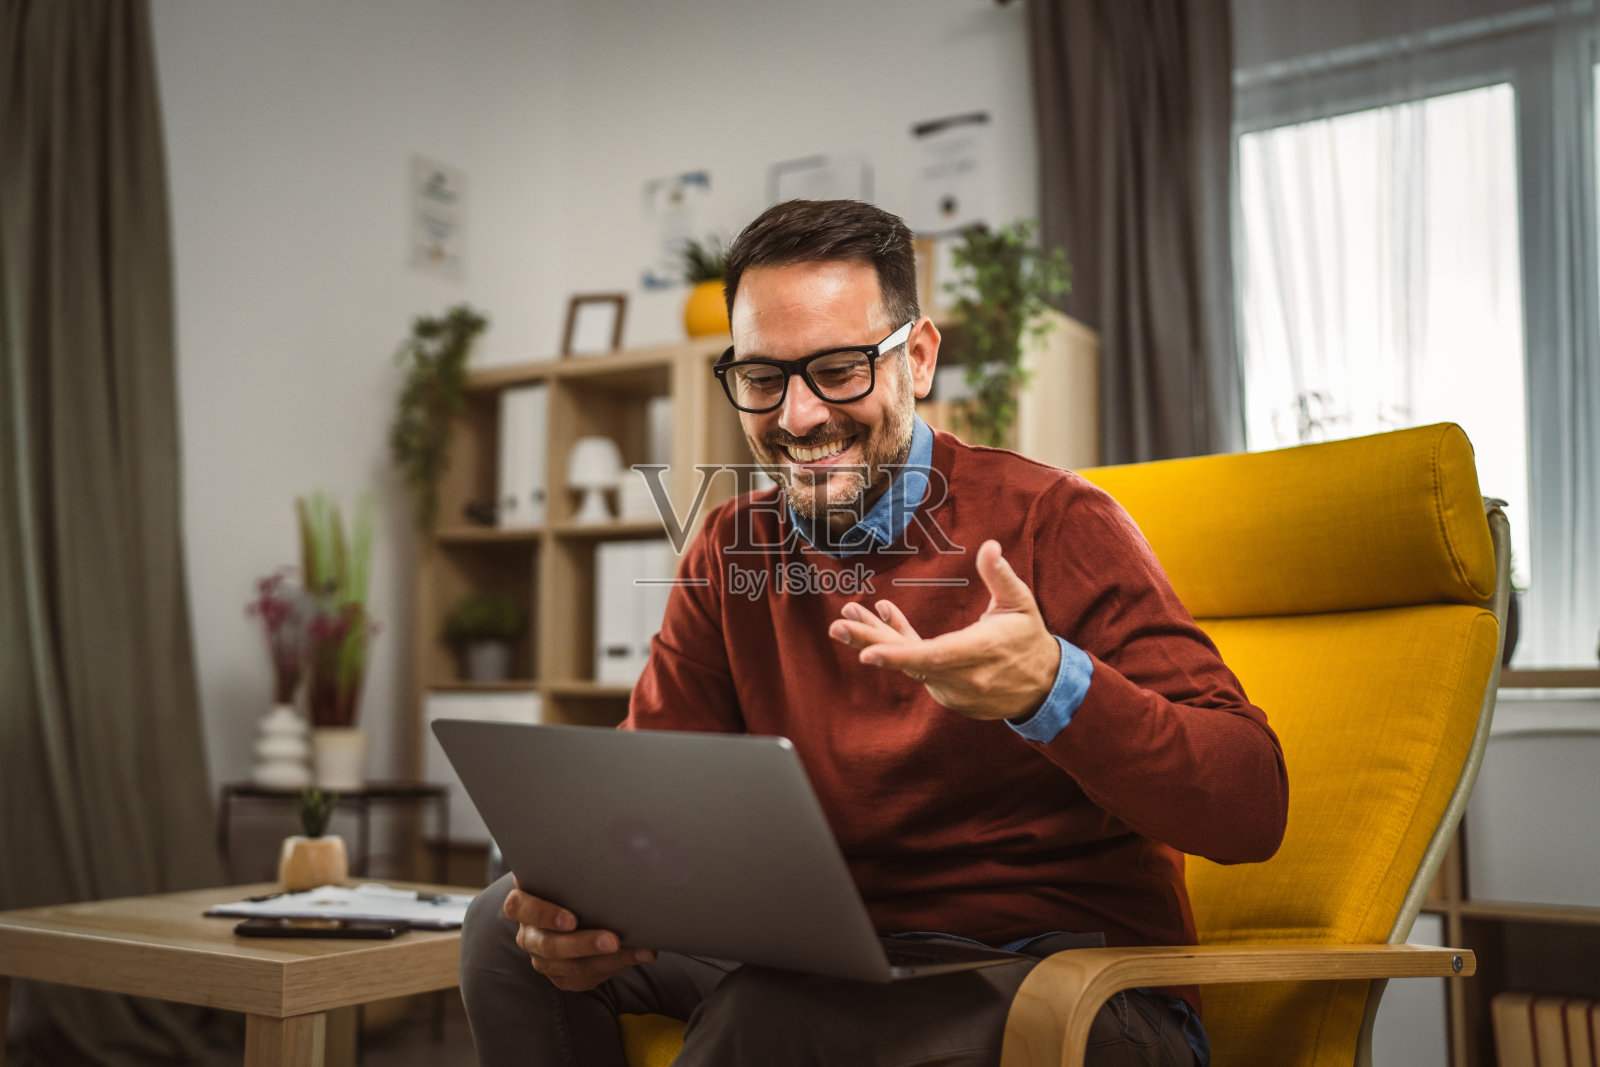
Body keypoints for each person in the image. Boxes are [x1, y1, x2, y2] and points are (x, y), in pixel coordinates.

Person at [459, 199, 1289, 1067]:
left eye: (840, 368)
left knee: (768, 1014)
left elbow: (1251, 805)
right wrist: (588, 899)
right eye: (763, 377)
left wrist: (1053, 689)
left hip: (1066, 982)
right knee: (502, 931)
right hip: (834, 956)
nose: (799, 416)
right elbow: (652, 789)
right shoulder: (730, 547)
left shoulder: (1055, 520)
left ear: (917, 358)